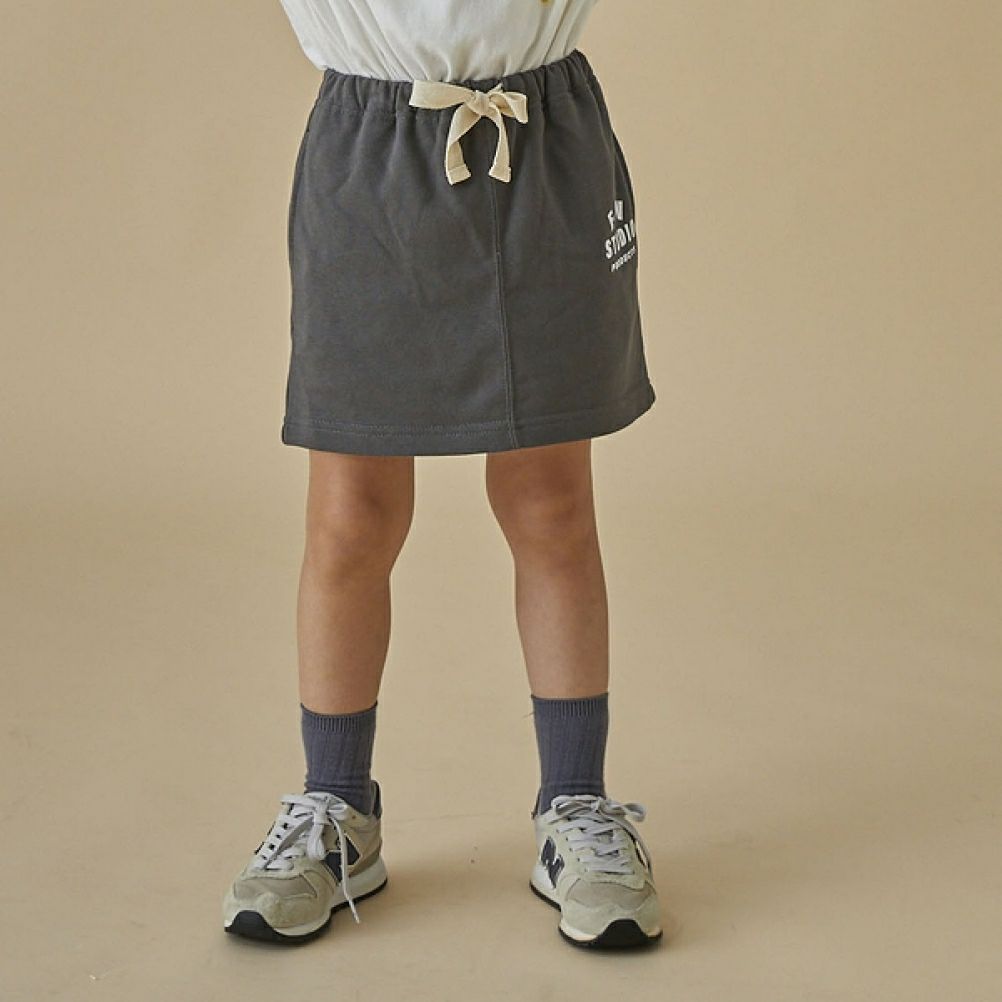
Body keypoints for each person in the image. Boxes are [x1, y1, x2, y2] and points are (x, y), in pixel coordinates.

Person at [222, 0, 665, 950]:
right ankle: (337, 806)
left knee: (551, 505)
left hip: (542, 141)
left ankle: (576, 804)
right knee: (351, 514)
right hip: (368, 152)